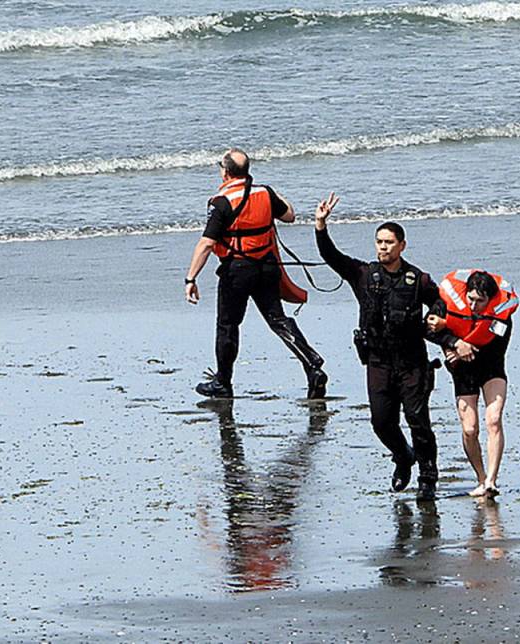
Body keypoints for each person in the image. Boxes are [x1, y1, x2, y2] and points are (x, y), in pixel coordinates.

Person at [314, 192, 456, 501]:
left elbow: (438, 301)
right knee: (381, 422)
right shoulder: (363, 275)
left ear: (402, 245)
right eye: (379, 242)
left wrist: (437, 318)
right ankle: (403, 456)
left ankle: (428, 477)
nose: (383, 247)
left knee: (418, 420)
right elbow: (331, 257)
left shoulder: (417, 279)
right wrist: (321, 226)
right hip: (377, 360)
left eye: (389, 242)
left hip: (412, 361)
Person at [185, 148, 327, 399]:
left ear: (225, 172)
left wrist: (191, 278)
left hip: (237, 271)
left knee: (228, 326)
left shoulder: (221, 201)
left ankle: (223, 384)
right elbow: (290, 216)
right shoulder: (264, 192)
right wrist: (271, 192)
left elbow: (207, 244)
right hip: (267, 266)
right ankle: (312, 365)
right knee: (277, 319)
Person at [427, 269, 518, 497]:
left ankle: (491, 481)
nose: (475, 305)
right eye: (471, 299)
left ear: (490, 300)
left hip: (491, 367)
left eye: (480, 301)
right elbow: (426, 328)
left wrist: (466, 349)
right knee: (469, 429)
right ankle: (479, 477)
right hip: (462, 370)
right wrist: (453, 343)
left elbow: (496, 346)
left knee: (494, 419)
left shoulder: (501, 315)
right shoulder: (447, 304)